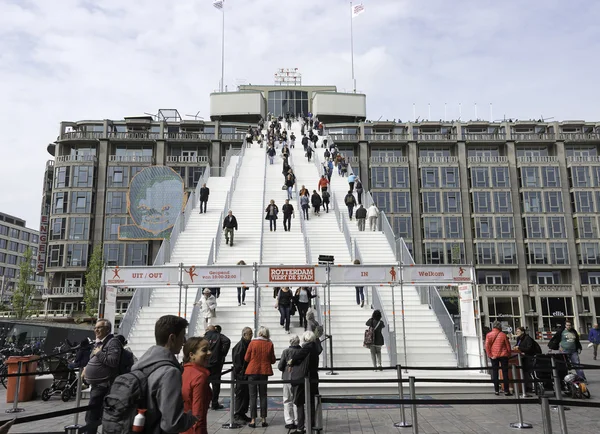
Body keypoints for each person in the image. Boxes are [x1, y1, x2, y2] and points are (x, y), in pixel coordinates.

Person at [131, 315, 198, 433]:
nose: (184, 342)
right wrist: (193, 416)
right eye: (183, 337)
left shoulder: (140, 365)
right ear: (172, 338)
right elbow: (172, 423)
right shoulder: (170, 372)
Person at [83, 319, 122, 434]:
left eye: (99, 327)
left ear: (107, 329)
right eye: (95, 327)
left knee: (92, 415)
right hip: (96, 385)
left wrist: (99, 353)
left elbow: (113, 361)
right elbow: (93, 358)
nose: (96, 330)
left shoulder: (113, 342)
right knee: (92, 414)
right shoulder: (99, 342)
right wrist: (86, 368)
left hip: (103, 385)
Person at [287, 331, 322, 434]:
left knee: (300, 402)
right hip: (314, 377)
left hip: (305, 378)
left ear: (305, 339)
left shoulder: (307, 348)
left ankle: (300, 428)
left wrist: (291, 361)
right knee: (311, 403)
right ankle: (311, 425)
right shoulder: (315, 348)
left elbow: (298, 357)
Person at [244, 326, 276, 428]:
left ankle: (253, 420)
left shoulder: (252, 343)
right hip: (264, 372)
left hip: (252, 371)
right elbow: (272, 360)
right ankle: (263, 419)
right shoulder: (269, 344)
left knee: (252, 396)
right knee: (263, 396)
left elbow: (246, 358)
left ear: (259, 333)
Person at [181, 337, 212, 434]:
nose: (209, 353)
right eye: (204, 350)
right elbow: (198, 415)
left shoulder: (182, 371)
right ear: (191, 355)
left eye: (209, 349)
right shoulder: (199, 377)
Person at [278, 335, 304, 430]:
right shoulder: (301, 351)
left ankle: (289, 421)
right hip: (298, 378)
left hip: (287, 377)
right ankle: (298, 420)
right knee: (297, 400)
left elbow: (280, 366)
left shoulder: (286, 352)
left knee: (287, 399)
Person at [204, 325, 231, 410]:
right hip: (216, 363)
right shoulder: (218, 335)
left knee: (205, 383)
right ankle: (214, 403)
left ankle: (206, 402)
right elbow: (227, 341)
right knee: (216, 384)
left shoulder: (205, 337)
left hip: (206, 363)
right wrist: (222, 353)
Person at [485, 321, 513, 396]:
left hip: (494, 356)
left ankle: (496, 390)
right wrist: (509, 353)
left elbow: (487, 346)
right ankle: (506, 391)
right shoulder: (503, 335)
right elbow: (508, 346)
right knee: (505, 373)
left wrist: (490, 355)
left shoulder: (489, 335)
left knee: (495, 373)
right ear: (499, 327)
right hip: (503, 355)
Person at [232, 327, 253, 424]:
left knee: (246, 395)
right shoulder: (240, 346)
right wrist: (241, 373)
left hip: (247, 373)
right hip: (241, 375)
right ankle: (238, 414)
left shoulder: (248, 344)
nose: (251, 335)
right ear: (244, 335)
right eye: (250, 334)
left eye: (252, 333)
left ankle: (243, 413)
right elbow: (238, 363)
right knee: (240, 394)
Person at [512, 327, 541, 393]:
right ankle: (527, 386)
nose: (517, 332)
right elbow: (517, 345)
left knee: (530, 371)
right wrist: (515, 347)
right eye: (516, 331)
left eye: (518, 331)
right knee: (524, 371)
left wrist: (520, 348)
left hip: (529, 356)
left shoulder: (527, 338)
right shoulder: (519, 339)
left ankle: (533, 386)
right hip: (523, 357)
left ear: (522, 332)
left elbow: (529, 348)